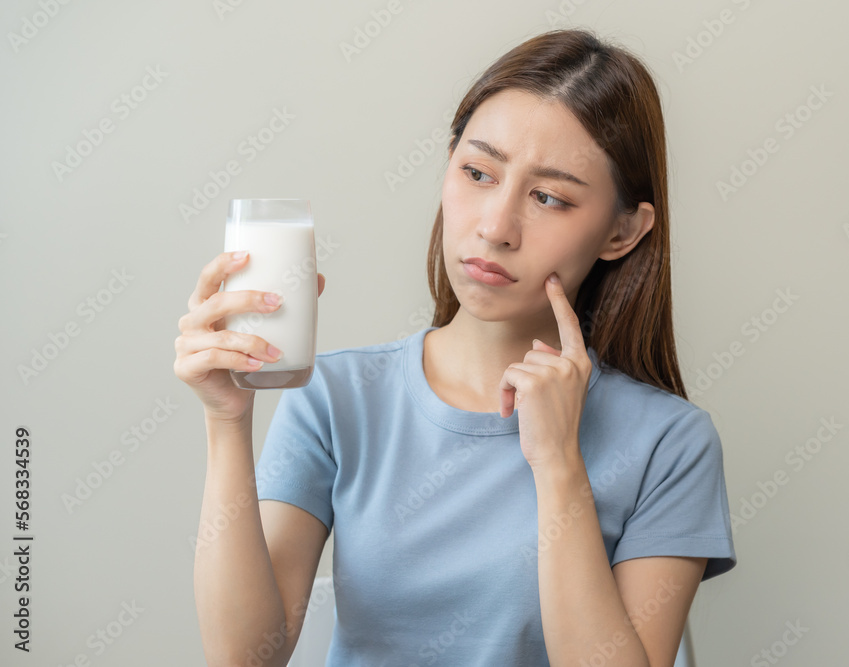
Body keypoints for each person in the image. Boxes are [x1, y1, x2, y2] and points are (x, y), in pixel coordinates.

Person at [175, 27, 736, 667]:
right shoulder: (335, 399)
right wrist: (226, 420)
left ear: (622, 230)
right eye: (477, 172)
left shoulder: (671, 443)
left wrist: (558, 466)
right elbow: (243, 658)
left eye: (549, 197)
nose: (495, 227)